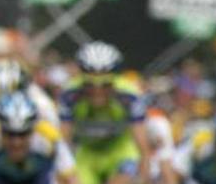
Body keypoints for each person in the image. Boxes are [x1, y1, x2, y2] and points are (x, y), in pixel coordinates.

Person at [59, 41, 151, 184]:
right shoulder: (70, 94)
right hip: (88, 156)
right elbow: (63, 142)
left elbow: (143, 147)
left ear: (115, 79)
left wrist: (144, 178)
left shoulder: (129, 96)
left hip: (121, 153)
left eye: (105, 84)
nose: (98, 91)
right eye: (90, 84)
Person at [0, 91, 78, 184]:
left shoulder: (49, 137)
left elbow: (71, 178)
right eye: (10, 134)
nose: (16, 143)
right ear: (0, 130)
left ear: (32, 131)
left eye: (23, 134)